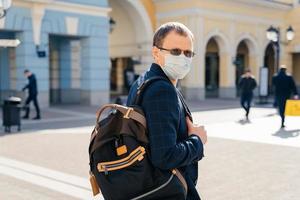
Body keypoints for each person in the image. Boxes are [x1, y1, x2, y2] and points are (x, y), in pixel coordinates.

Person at [127, 22, 207, 200]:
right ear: (156, 53)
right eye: (176, 51)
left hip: (147, 187)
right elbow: (165, 156)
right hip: (165, 191)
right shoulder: (162, 90)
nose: (183, 58)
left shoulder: (141, 82)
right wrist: (198, 140)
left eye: (188, 53)